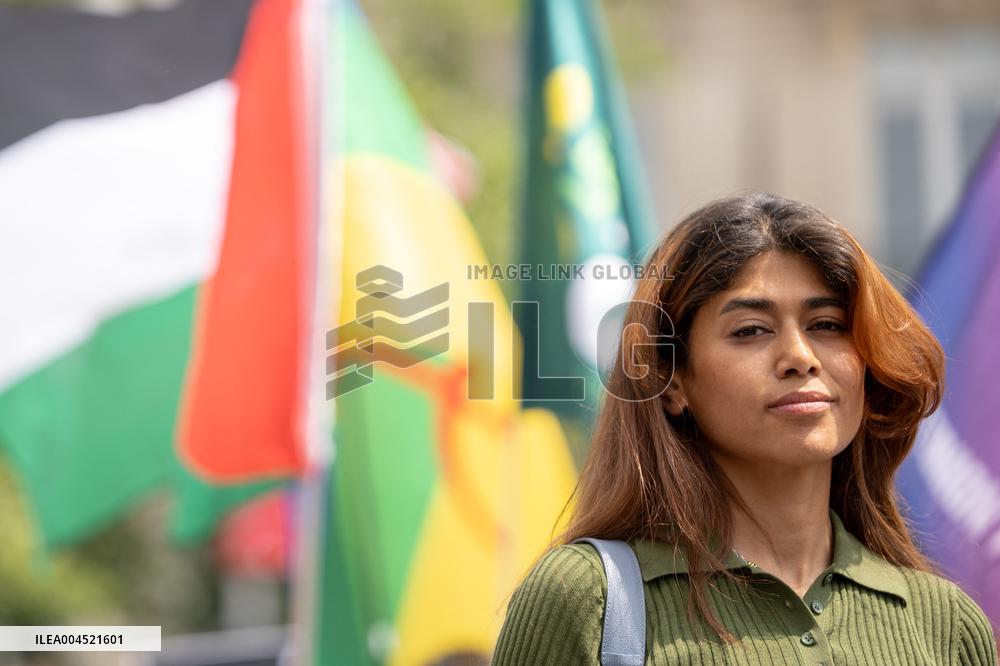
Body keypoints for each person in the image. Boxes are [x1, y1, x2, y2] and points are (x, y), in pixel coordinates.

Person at [491, 193, 998, 665]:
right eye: (750, 331)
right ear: (670, 380)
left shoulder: (945, 625)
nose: (800, 358)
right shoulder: (588, 600)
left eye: (827, 325)